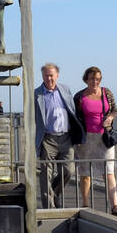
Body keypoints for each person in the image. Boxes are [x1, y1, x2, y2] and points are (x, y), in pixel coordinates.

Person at [73, 66, 117, 215]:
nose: (94, 82)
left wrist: (110, 117)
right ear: (86, 79)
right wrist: (76, 137)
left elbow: (115, 110)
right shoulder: (79, 97)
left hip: (104, 138)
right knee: (85, 173)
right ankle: (85, 204)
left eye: (97, 79)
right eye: (91, 79)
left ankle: (115, 206)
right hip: (86, 139)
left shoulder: (106, 93)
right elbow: (75, 118)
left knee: (108, 171)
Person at [34, 64, 84, 209]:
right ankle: (48, 208)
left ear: (57, 75)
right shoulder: (36, 94)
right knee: (45, 175)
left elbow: (72, 110)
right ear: (42, 76)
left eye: (51, 75)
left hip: (66, 137)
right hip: (47, 138)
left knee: (69, 171)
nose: (49, 78)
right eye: (46, 75)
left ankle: (55, 193)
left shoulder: (65, 89)